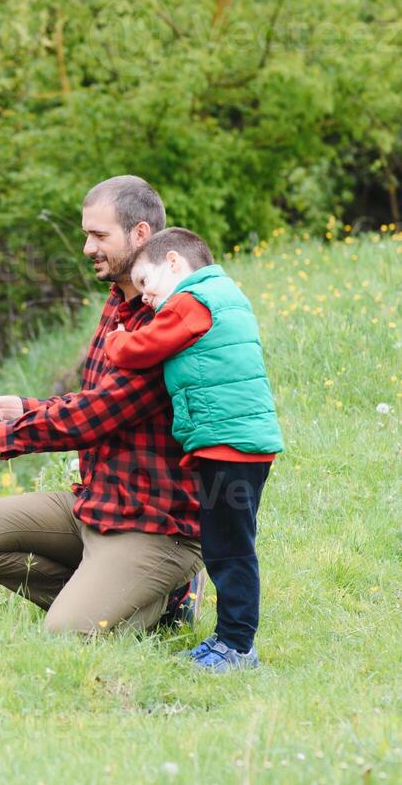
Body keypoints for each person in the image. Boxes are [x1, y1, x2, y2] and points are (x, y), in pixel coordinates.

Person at [0, 175, 204, 636]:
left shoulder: (168, 319)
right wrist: (14, 408)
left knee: (65, 635)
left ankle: (163, 596)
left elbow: (96, 415)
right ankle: (119, 600)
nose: (86, 248)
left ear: (141, 234)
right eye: (86, 234)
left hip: (155, 525)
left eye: (99, 235)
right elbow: (91, 401)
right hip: (98, 506)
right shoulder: (119, 299)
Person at [103, 227, 282, 672]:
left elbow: (145, 348)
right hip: (235, 445)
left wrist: (115, 338)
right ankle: (226, 638)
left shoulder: (191, 301)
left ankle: (237, 647)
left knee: (229, 548)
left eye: (145, 284)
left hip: (229, 448)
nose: (144, 298)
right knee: (227, 542)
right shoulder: (221, 294)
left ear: (174, 264)